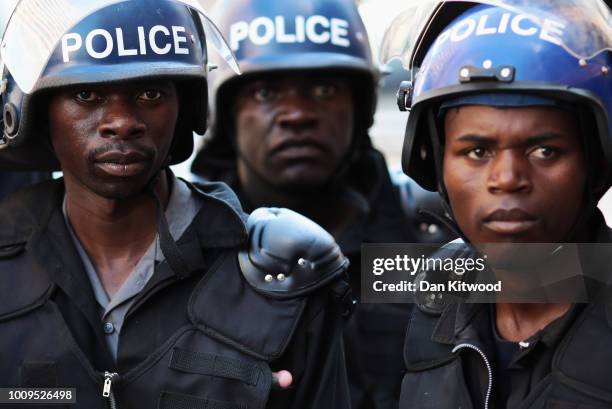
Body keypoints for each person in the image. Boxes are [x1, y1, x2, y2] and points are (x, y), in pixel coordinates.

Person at [0, 1, 353, 408]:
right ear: (38, 112)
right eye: (87, 93)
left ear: (184, 106)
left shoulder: (286, 270)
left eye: (150, 93)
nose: (122, 121)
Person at [189, 0, 454, 407]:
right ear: (227, 112)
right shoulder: (180, 249)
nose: (297, 114)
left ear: (360, 105)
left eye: (324, 89)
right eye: (265, 91)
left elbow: (578, 286)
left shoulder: (436, 230)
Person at [380, 0, 612, 407]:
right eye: (476, 151)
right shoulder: (433, 294)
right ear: (434, 161)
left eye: (544, 151)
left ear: (594, 163)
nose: (507, 179)